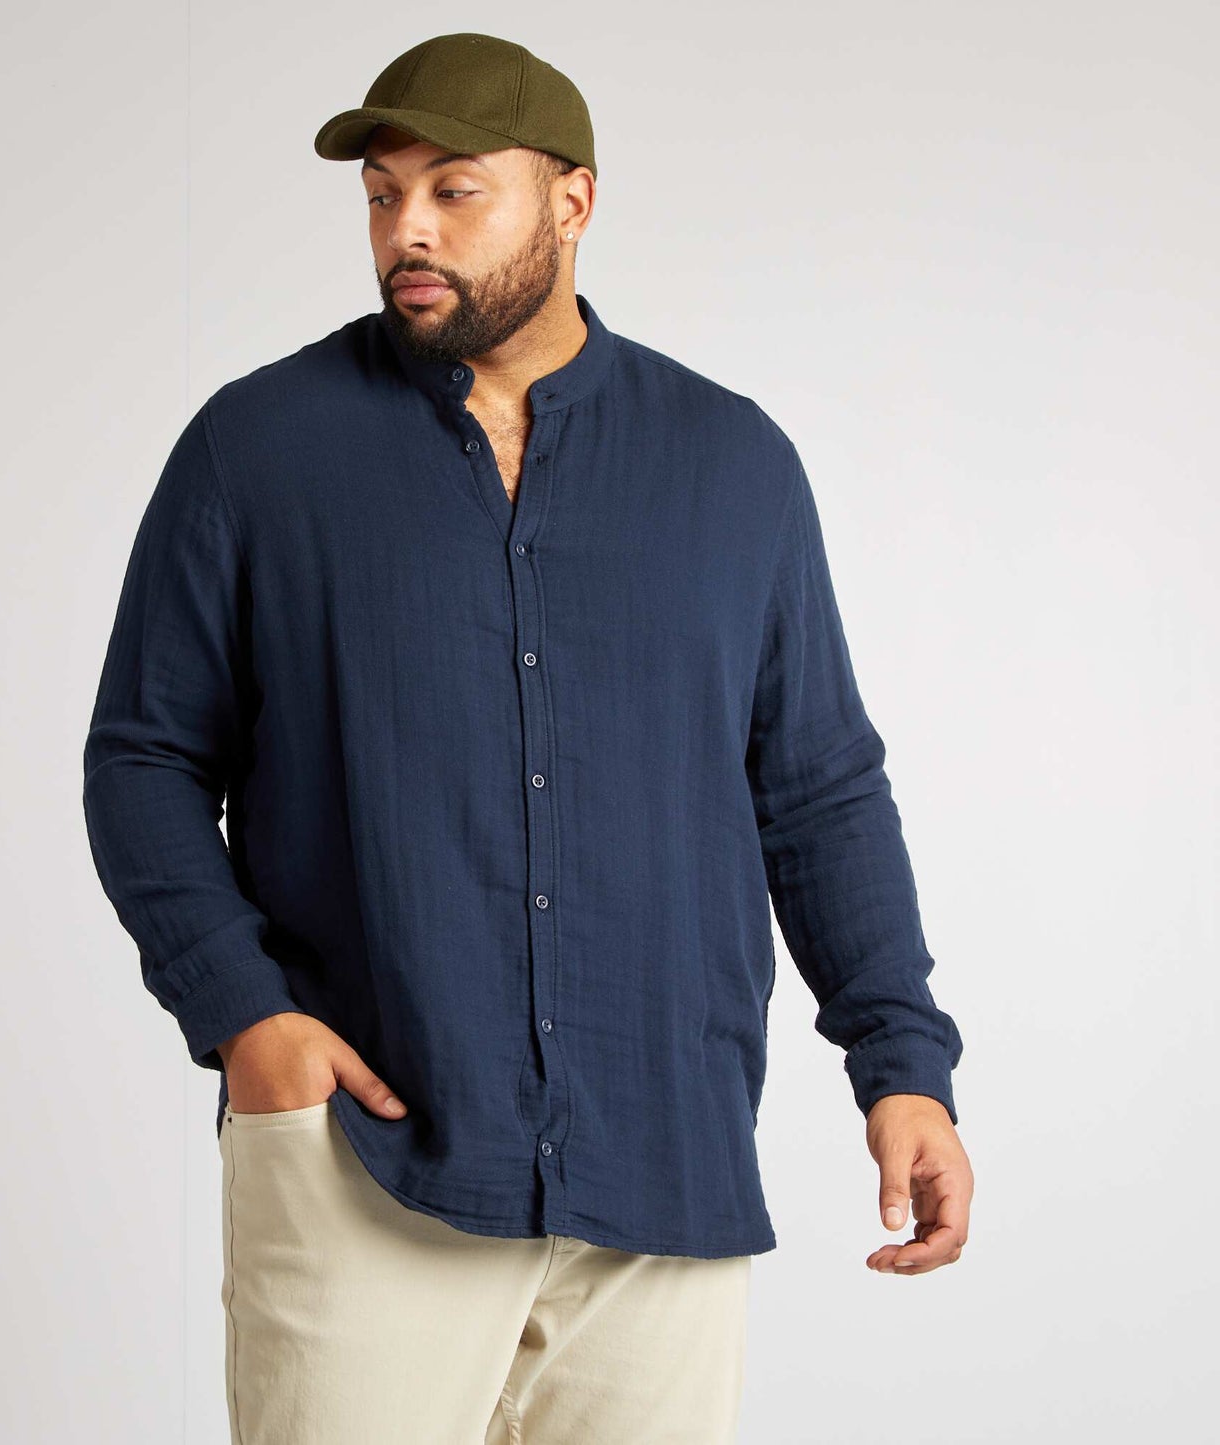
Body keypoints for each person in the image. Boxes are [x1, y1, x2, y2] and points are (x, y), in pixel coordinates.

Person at [82, 29, 973, 1445]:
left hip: (663, 1164)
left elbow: (817, 789)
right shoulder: (258, 451)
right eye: (382, 195)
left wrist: (902, 1063)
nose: (407, 231)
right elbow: (144, 758)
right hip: (368, 1155)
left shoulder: (731, 465)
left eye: (454, 191)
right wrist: (246, 1016)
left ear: (573, 201)